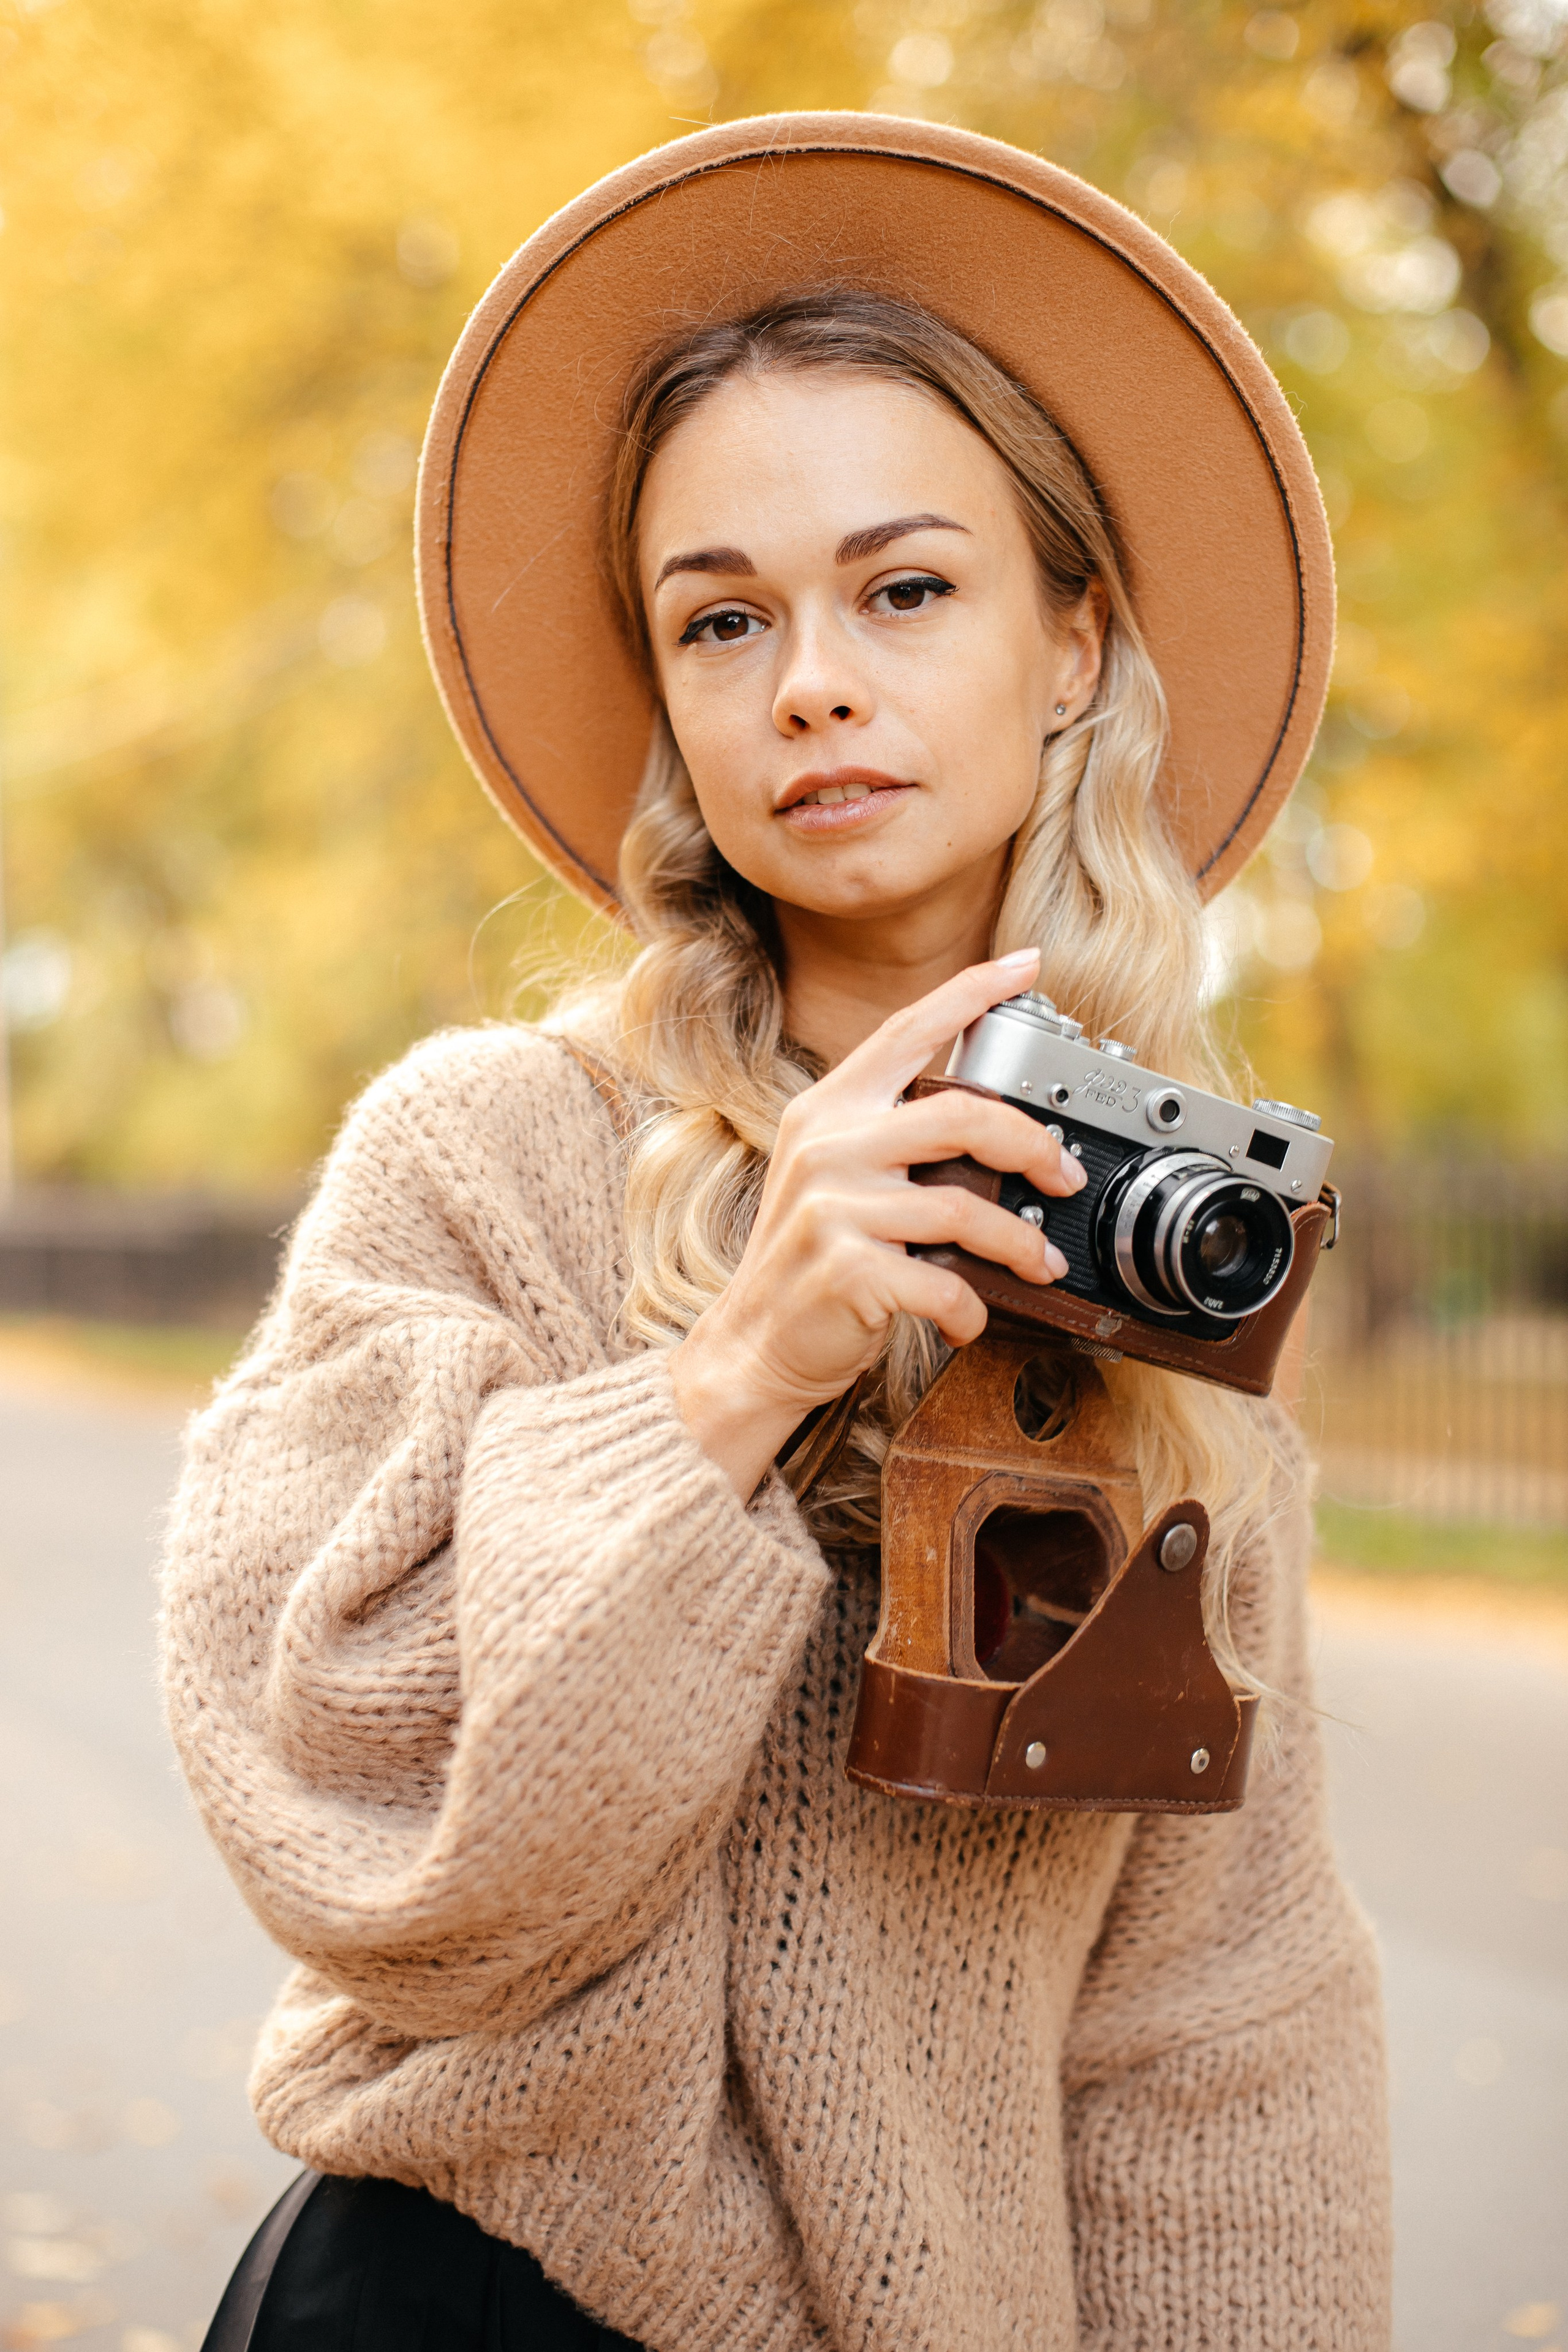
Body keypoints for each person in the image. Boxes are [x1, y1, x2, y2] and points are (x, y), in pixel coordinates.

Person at [168, 115, 1392, 2352]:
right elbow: (355, 1838)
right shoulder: (485, 1159)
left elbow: (1220, 2046)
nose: (810, 680)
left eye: (904, 590)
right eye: (721, 620)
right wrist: (734, 1373)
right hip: (476, 2307)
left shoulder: (1173, 1278)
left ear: (1070, 645)